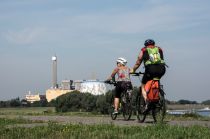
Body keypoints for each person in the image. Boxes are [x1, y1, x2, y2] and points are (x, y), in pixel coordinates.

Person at [130, 39, 166, 108]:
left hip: (150, 69)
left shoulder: (144, 49)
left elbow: (138, 62)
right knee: (156, 80)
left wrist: (133, 70)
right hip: (162, 69)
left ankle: (147, 102)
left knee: (143, 85)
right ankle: (158, 97)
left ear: (145, 44)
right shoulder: (159, 49)